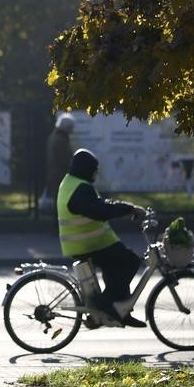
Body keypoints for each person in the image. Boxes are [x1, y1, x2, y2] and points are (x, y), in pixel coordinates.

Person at [57, 148, 148, 328]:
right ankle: (104, 303)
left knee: (117, 265)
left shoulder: (73, 183)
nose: (96, 173)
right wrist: (129, 209)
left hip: (91, 242)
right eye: (94, 169)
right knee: (130, 262)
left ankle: (121, 312)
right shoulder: (80, 188)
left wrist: (126, 208)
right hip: (86, 244)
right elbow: (100, 211)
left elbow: (100, 204)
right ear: (86, 169)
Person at [44, 112, 75, 220]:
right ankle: (59, 226)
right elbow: (64, 159)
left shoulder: (53, 137)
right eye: (71, 127)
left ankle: (57, 226)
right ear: (66, 127)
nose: (73, 130)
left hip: (54, 174)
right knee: (61, 202)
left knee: (58, 201)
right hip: (60, 175)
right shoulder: (61, 140)